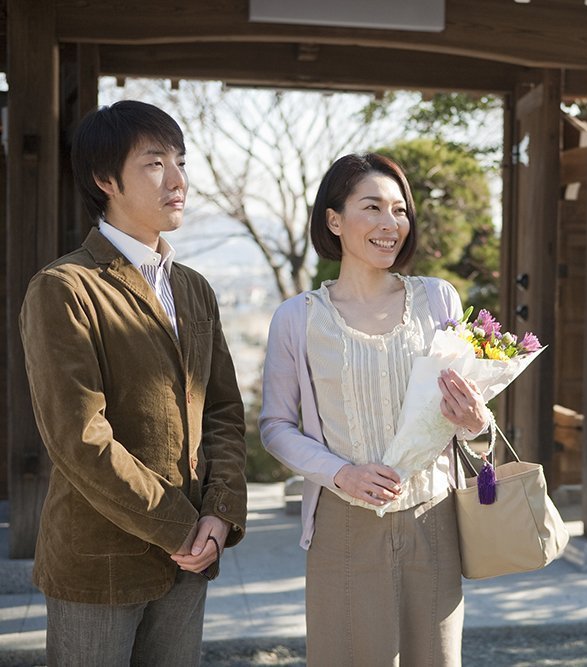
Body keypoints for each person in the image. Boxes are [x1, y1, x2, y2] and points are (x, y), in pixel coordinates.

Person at [19, 100, 248, 666]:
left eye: (181, 160)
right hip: (99, 562)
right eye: (153, 163)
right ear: (105, 180)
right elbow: (80, 437)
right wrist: (179, 527)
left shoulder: (194, 288)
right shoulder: (66, 287)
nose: (177, 180)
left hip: (191, 554)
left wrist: (218, 515)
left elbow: (221, 410)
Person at [260, 152, 490, 665]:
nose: (391, 225)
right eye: (373, 208)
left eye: (400, 210)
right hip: (343, 526)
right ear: (335, 220)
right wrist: (341, 474)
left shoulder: (439, 302)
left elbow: (467, 414)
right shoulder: (297, 319)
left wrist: (478, 422)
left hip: (434, 519)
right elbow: (275, 426)